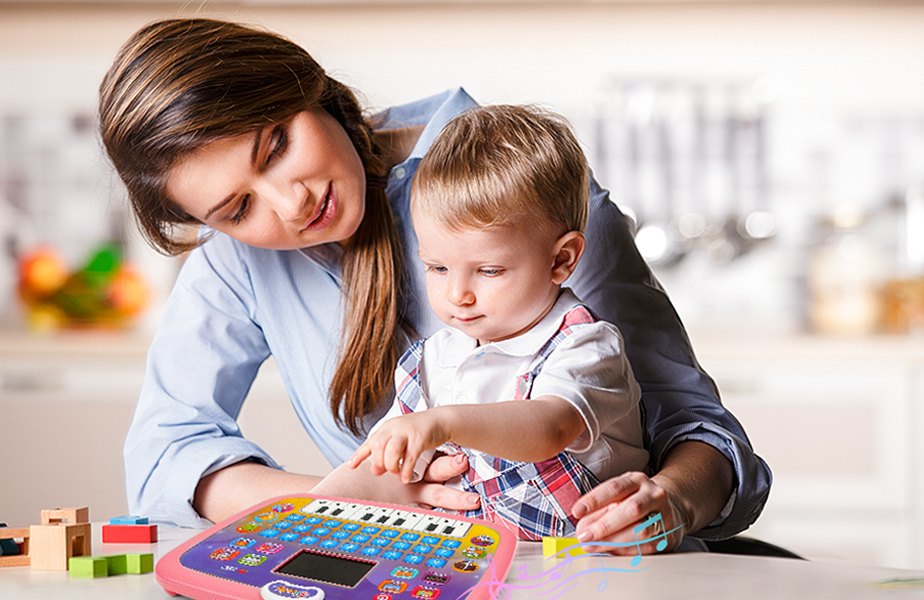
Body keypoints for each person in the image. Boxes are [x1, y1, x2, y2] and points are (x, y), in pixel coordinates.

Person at [99, 18, 770, 554]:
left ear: (301, 82)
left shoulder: (516, 196)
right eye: (237, 209)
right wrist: (352, 502)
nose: (289, 202)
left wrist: (675, 501)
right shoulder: (238, 259)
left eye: (274, 145)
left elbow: (703, 435)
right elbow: (164, 461)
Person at [312, 104, 648, 541]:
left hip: (589, 569)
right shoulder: (433, 360)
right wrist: (310, 515)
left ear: (561, 259)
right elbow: (378, 470)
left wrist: (443, 421)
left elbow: (550, 427)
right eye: (437, 268)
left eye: (488, 271)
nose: (458, 295)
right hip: (476, 568)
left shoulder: (585, 344)